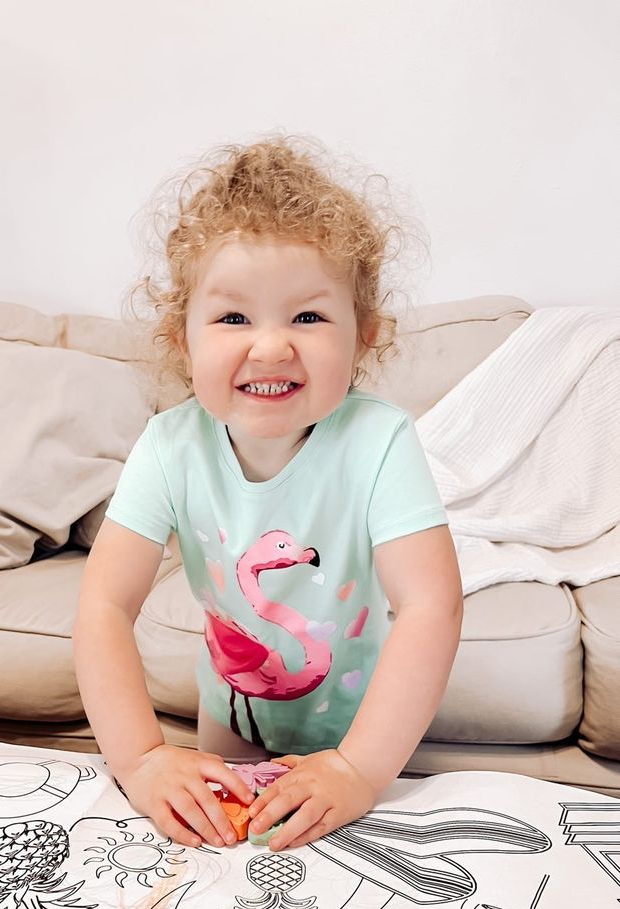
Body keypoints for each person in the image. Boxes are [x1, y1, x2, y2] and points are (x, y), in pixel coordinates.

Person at [73, 135, 463, 854]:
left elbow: (430, 604)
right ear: (182, 341)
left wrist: (357, 769)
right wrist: (141, 759)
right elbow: (102, 606)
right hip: (231, 729)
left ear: (363, 337)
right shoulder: (168, 445)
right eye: (232, 318)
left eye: (308, 317)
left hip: (363, 735)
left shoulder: (379, 441)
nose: (272, 347)